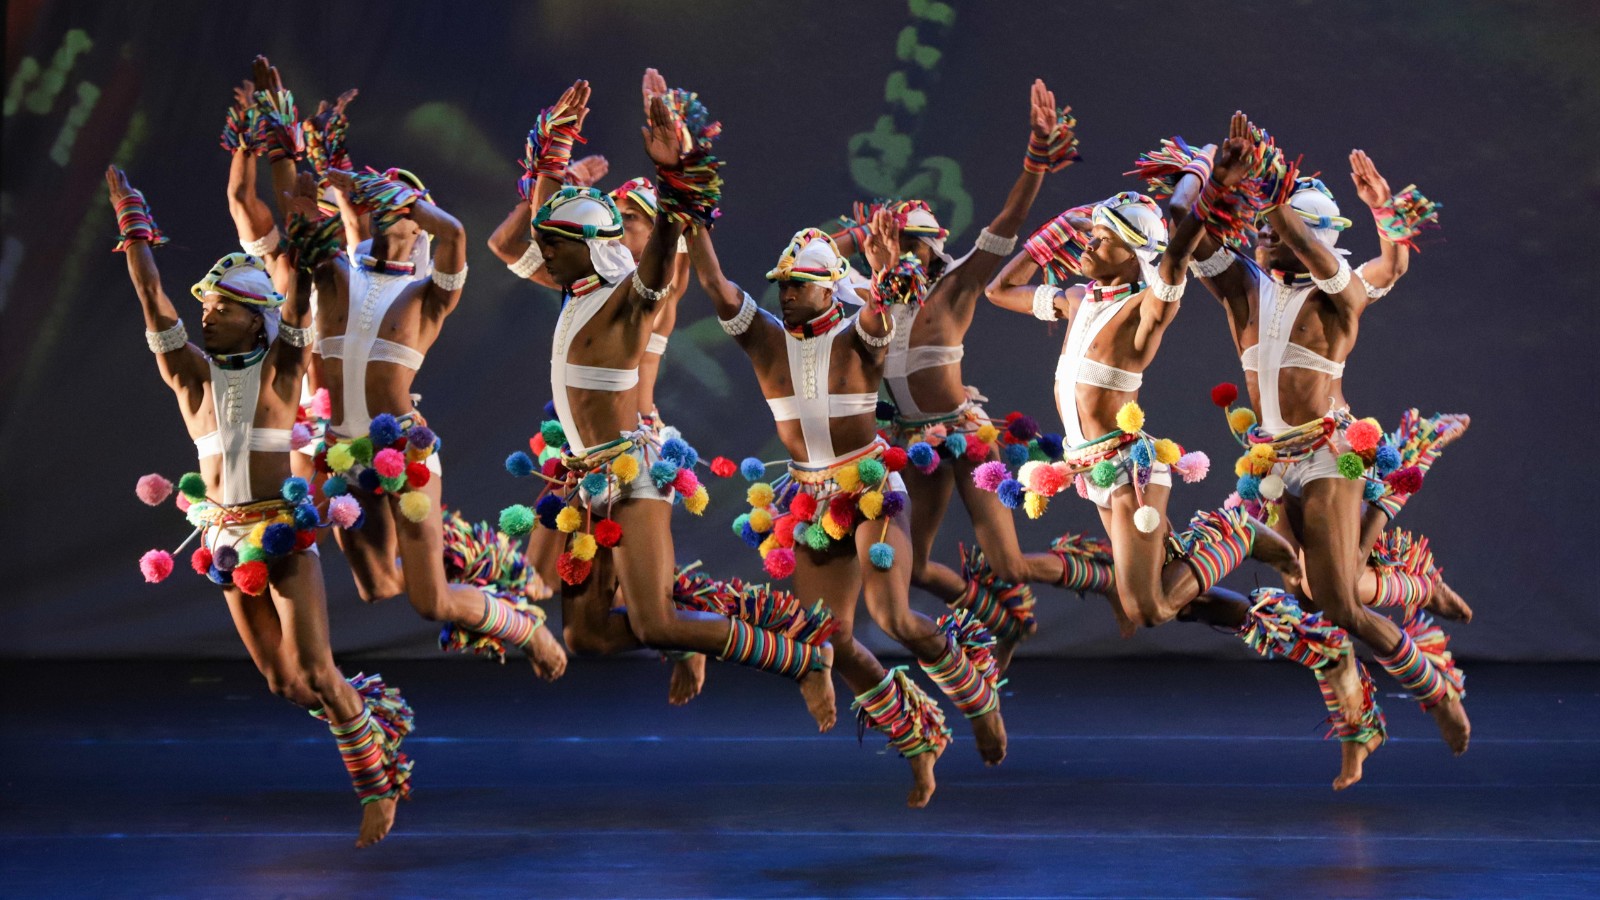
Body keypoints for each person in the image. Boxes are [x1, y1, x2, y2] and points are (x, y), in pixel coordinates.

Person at [498, 82, 839, 731]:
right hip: (584, 476)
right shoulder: (572, 286)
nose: (544, 250)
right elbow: (532, 232)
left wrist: (674, 170)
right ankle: (689, 640)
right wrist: (553, 153)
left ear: (588, 248)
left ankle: (801, 661)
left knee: (654, 617)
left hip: (632, 472)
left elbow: (665, 252)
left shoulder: (632, 299)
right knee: (589, 637)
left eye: (556, 244)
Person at [116, 166, 411, 847]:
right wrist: (133, 228)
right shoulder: (190, 378)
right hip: (224, 543)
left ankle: (377, 787)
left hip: (282, 536)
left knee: (313, 670)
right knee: (286, 684)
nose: (207, 314)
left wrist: (303, 219)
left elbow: (300, 292)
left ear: (258, 319)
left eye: (223, 306)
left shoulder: (281, 368)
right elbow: (153, 296)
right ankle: (365, 716)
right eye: (207, 307)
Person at [1174, 114, 1468, 780]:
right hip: (1270, 462)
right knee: (1306, 600)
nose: (1263, 236)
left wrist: (1370, 210)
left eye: (1277, 229)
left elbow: (1378, 262)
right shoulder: (1245, 290)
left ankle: (1435, 691)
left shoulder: (1340, 294)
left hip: (1331, 454)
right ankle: (1380, 669)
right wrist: (1212, 180)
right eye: (1262, 229)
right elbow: (1189, 245)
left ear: (1313, 240)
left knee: (1336, 602)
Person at [689, 209, 1009, 808]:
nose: (785, 295)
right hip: (808, 498)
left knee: (892, 618)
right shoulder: (764, 340)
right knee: (828, 641)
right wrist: (688, 205)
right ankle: (919, 739)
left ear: (829, 286)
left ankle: (977, 697)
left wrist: (887, 269)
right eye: (781, 284)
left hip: (869, 488)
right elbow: (713, 283)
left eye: (799, 284)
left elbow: (881, 307)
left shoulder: (859, 338)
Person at [828, 80, 1120, 671]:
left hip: (965, 434)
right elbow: (813, 256)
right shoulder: (868, 295)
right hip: (912, 443)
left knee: (1009, 565)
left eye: (915, 244)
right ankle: (1004, 618)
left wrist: (1037, 158)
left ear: (935, 249)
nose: (904, 253)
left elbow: (1010, 219)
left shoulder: (956, 286)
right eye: (895, 244)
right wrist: (864, 234)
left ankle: (1105, 578)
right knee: (917, 565)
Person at [293, 141, 568, 680]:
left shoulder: (427, 294)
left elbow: (457, 234)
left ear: (421, 225)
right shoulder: (336, 277)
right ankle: (463, 559)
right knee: (378, 587)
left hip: (404, 454)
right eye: (388, 196)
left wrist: (406, 198)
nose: (398, 205)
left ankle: (525, 629)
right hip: (343, 457)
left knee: (431, 604)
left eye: (411, 203)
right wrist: (300, 152)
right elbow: (302, 211)